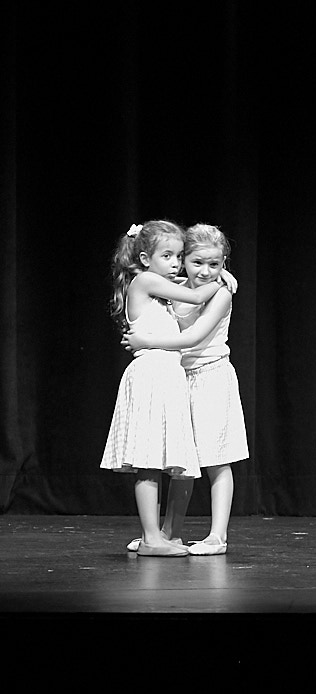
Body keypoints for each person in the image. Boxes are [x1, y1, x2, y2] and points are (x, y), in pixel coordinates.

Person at [101, 220, 233, 557]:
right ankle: (153, 537)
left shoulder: (164, 287)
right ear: (146, 258)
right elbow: (194, 294)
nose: (175, 264)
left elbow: (193, 307)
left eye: (177, 256)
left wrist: (223, 277)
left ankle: (167, 535)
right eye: (170, 256)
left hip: (176, 375)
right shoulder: (148, 282)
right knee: (150, 460)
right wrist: (223, 277)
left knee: (181, 461)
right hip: (156, 374)